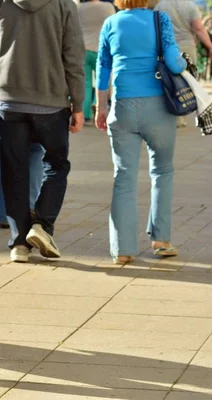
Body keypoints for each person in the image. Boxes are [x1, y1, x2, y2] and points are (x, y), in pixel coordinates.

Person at [0, 0, 85, 263]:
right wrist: (78, 103)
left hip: (10, 102)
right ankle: (42, 224)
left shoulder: (1, 4)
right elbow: (73, 56)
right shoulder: (63, 5)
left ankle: (19, 244)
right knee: (56, 164)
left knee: (14, 171)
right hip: (51, 103)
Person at [95, 0, 186, 265]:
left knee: (124, 177)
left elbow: (103, 68)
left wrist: (101, 107)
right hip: (158, 107)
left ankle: (123, 250)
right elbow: (174, 62)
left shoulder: (110, 22)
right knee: (163, 171)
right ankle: (161, 240)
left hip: (123, 106)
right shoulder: (160, 20)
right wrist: (182, 61)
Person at [0, 21, 45, 229]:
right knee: (36, 152)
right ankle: (30, 207)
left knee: (5, 158)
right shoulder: (36, 23)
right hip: (35, 101)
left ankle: (6, 214)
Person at [155, 0, 212, 127]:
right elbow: (199, 28)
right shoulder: (190, 6)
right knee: (189, 82)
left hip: (166, 48)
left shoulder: (160, 6)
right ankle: (188, 112)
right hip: (187, 47)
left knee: (170, 82)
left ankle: (174, 115)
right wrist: (209, 46)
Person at [78, 0, 115, 122]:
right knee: (103, 80)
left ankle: (86, 113)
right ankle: (98, 103)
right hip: (101, 50)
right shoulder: (108, 7)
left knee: (85, 83)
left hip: (83, 49)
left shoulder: (79, 8)